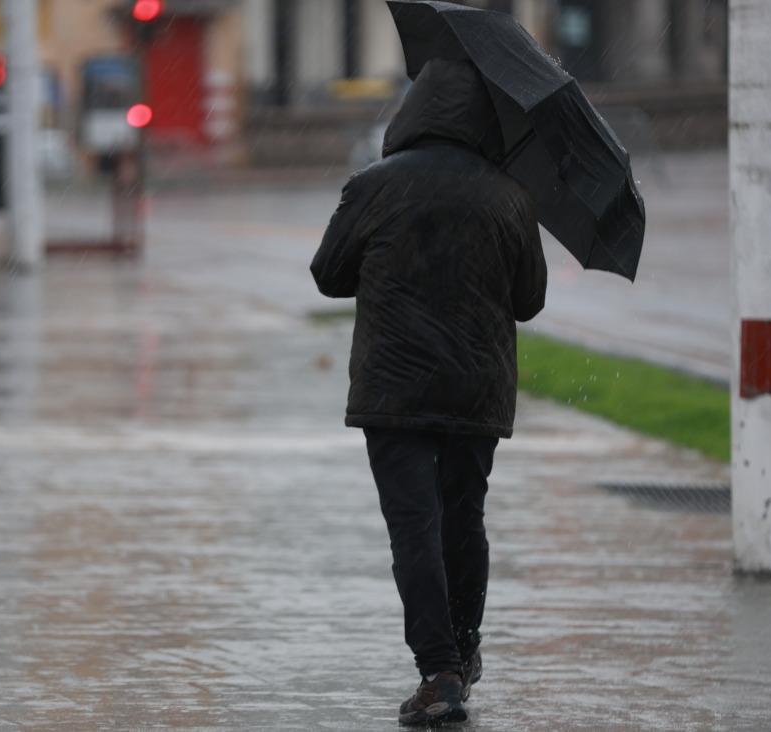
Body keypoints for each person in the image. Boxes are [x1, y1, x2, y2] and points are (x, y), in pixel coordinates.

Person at [310, 58, 547, 727]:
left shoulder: (374, 186)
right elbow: (528, 301)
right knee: (463, 519)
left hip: (394, 387)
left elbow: (329, 274)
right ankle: (464, 652)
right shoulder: (509, 196)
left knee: (414, 527)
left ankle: (439, 672)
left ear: (414, 113)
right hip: (478, 387)